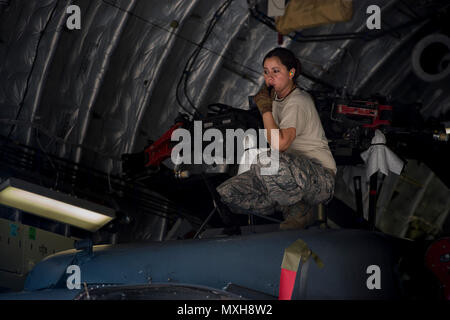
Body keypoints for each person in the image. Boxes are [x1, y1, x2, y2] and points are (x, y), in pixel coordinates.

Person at [216, 47, 337, 230]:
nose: (269, 77)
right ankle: (286, 205)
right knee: (228, 192)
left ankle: (300, 210)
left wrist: (265, 110)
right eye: (266, 72)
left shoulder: (297, 101)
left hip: (319, 179)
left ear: (291, 73)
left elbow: (279, 144)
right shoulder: (277, 101)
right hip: (289, 177)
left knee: (265, 162)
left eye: (276, 71)